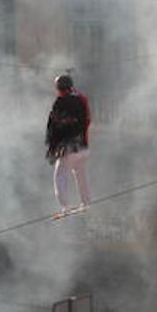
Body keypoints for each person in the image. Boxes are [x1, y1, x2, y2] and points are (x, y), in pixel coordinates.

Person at [44, 73, 91, 214]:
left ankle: (65, 206)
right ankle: (86, 202)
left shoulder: (60, 103)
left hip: (68, 149)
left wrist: (52, 148)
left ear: (58, 88)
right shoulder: (81, 101)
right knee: (80, 172)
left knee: (60, 175)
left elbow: (53, 128)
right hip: (82, 147)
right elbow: (86, 122)